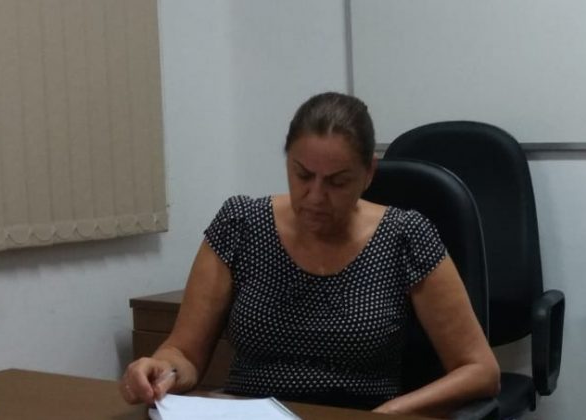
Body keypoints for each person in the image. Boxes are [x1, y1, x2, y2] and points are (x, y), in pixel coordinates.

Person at [120, 92, 499, 416]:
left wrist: (387, 414)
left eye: (337, 182)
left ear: (368, 173)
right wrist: (163, 369)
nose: (316, 196)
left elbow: (480, 370)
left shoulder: (405, 236)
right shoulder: (240, 225)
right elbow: (184, 353)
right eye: (302, 175)